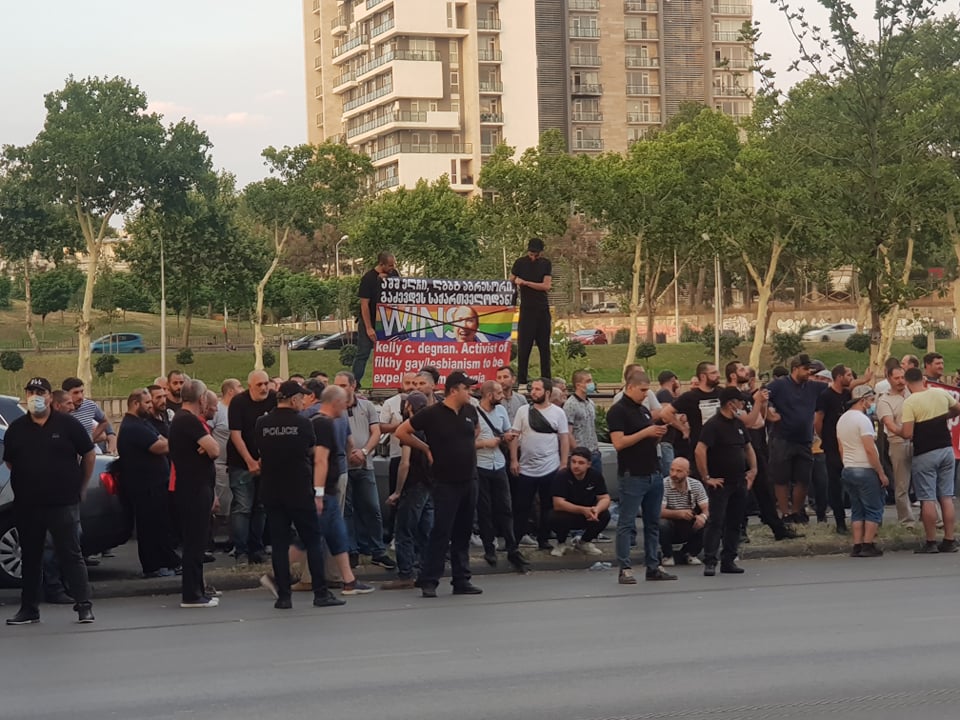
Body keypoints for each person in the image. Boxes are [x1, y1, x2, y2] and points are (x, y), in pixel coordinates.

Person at [4, 377, 96, 625]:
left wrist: (82, 486)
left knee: (71, 553)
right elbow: (10, 461)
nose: (35, 396)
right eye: (30, 392)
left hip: (62, 502)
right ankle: (29, 609)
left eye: (40, 392)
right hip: (28, 504)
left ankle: (84, 605)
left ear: (49, 397)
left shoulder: (67, 424)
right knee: (31, 557)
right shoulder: (17, 428)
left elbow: (88, 453)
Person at [255, 381, 344, 609]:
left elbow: (261, 452)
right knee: (313, 540)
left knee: (279, 543)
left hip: (271, 490)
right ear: (293, 399)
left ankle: (284, 597)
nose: (303, 402)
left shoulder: (262, 423)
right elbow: (311, 450)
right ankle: (320, 593)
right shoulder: (303, 423)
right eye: (301, 398)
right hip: (299, 490)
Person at [396, 371, 484, 598]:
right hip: (445, 482)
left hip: (469, 479)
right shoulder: (432, 413)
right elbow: (402, 432)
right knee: (441, 531)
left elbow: (476, 430)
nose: (470, 392)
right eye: (466, 388)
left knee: (463, 532)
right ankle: (429, 580)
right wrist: (425, 448)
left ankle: (461, 579)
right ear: (454, 390)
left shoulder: (470, 410)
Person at [606, 369, 675, 584]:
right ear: (630, 387)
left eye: (647, 390)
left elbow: (646, 440)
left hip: (652, 471)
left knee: (653, 523)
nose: (646, 394)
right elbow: (619, 443)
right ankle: (625, 568)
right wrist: (646, 432)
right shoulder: (618, 411)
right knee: (627, 523)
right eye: (643, 390)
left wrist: (656, 434)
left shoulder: (643, 411)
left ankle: (653, 565)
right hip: (633, 474)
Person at [307, 385, 372, 599]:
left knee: (337, 535)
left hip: (328, 490)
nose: (346, 407)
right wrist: (318, 492)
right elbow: (320, 460)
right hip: (323, 491)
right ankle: (277, 575)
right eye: (344, 402)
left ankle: (349, 580)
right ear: (335, 402)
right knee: (313, 537)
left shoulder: (316, 421)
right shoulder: (324, 424)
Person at [117, 389, 181, 578]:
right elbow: (159, 446)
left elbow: (161, 439)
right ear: (135, 404)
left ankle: (167, 561)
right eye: (146, 403)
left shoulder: (142, 423)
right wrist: (178, 442)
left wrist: (168, 443)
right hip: (145, 486)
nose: (150, 405)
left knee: (160, 525)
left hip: (155, 484)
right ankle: (154, 565)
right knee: (150, 527)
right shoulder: (132, 427)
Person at [168, 380, 221, 609]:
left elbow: (208, 448)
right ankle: (191, 595)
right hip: (192, 489)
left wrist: (205, 448)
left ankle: (198, 590)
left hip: (195, 487)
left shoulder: (183, 420)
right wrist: (206, 448)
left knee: (197, 542)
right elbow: (215, 449)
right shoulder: (187, 420)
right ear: (201, 399)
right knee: (194, 543)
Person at [336, 371, 395, 570]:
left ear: (353, 386)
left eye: (343, 385)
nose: (339, 389)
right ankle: (351, 550)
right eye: (337, 386)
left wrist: (364, 451)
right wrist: (347, 453)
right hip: (343, 467)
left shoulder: (367, 406)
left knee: (372, 508)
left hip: (364, 465)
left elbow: (376, 432)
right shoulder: (334, 408)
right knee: (346, 511)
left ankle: (378, 551)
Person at [696, 386, 757, 576]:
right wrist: (707, 477)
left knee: (735, 522)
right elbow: (700, 450)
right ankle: (710, 560)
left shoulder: (738, 424)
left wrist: (753, 470)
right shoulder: (713, 425)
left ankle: (729, 559)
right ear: (731, 404)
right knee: (716, 521)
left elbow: (748, 447)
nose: (742, 405)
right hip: (721, 482)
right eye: (740, 402)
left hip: (739, 481)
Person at [901, 367, 960, 553]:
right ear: (923, 379)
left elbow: (907, 433)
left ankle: (931, 541)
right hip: (946, 449)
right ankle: (949, 539)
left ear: (907, 383)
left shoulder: (910, 402)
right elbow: (957, 409)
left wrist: (894, 428)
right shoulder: (939, 392)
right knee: (946, 497)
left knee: (927, 498)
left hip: (925, 453)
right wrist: (945, 416)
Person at [510, 378, 570, 550]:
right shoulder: (523, 411)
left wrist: (563, 463)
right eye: (533, 389)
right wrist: (514, 460)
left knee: (547, 506)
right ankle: (515, 540)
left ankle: (543, 538)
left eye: (538, 389)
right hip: (526, 468)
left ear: (547, 393)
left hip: (550, 466)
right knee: (522, 506)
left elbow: (564, 438)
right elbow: (514, 436)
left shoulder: (558, 413)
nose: (533, 392)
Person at [383, 391, 435, 589]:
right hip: (429, 484)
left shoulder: (409, 429)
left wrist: (397, 491)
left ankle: (405, 574)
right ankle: (426, 571)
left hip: (414, 484)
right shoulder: (432, 428)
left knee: (404, 531)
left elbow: (404, 463)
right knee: (425, 531)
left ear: (409, 407)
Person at [766, 354, 826, 521]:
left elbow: (835, 387)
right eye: (805, 369)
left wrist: (861, 382)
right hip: (782, 438)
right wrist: (769, 412)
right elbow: (761, 396)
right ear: (795, 369)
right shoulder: (780, 385)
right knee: (781, 479)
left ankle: (796, 512)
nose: (809, 372)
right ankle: (785, 513)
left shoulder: (813, 386)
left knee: (803, 479)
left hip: (804, 440)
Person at [474, 380, 527, 571]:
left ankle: (512, 548)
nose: (502, 396)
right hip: (480, 465)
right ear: (489, 395)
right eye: (498, 393)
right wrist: (485, 443)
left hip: (499, 464)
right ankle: (489, 547)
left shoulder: (501, 411)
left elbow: (508, 434)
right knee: (485, 510)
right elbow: (465, 443)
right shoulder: (473, 414)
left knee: (505, 507)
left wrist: (513, 459)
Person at [227, 370, 276, 566]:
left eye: (266, 383)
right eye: (259, 385)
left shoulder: (273, 398)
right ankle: (241, 550)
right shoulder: (239, 402)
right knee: (243, 506)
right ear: (250, 386)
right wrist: (249, 460)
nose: (264, 388)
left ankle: (257, 548)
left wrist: (264, 459)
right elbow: (235, 434)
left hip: (266, 463)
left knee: (261, 507)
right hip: (241, 463)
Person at [836, 386, 888, 557]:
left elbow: (841, 447)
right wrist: (880, 472)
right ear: (862, 400)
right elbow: (870, 449)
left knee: (857, 508)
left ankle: (857, 544)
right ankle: (868, 544)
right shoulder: (863, 420)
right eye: (871, 400)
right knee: (873, 508)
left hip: (849, 468)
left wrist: (846, 463)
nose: (872, 404)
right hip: (865, 469)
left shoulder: (842, 419)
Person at [814, 365, 855, 533]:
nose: (851, 378)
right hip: (831, 444)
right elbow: (818, 420)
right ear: (838, 377)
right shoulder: (825, 396)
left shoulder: (847, 394)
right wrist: (824, 437)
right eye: (848, 375)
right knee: (834, 483)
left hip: (847, 442)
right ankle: (839, 521)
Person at [549, 447, 611, 558]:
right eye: (573, 462)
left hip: (589, 513)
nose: (576, 466)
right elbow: (558, 504)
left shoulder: (595, 475)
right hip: (568, 512)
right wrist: (582, 510)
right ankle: (561, 543)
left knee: (605, 514)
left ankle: (584, 542)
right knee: (554, 516)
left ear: (589, 464)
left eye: (581, 463)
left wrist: (597, 509)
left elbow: (605, 498)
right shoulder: (562, 475)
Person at [379, 372, 418, 544]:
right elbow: (381, 427)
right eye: (407, 383)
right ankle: (392, 533)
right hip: (397, 455)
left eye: (414, 383)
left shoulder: (424, 403)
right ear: (401, 384)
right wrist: (401, 426)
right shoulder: (391, 403)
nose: (411, 386)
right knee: (395, 496)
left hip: (419, 458)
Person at [876, 366, 915, 526]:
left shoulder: (912, 392)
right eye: (896, 378)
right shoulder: (884, 400)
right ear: (889, 379)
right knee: (902, 484)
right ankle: (907, 521)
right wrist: (905, 433)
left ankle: (935, 519)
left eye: (902, 377)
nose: (901, 381)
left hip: (919, 441)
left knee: (926, 481)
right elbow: (889, 424)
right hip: (898, 442)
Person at [511, 238, 553, 384]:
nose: (533, 257)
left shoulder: (545, 263)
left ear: (541, 253)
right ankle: (522, 380)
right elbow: (511, 279)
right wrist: (516, 282)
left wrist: (526, 283)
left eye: (536, 254)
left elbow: (546, 286)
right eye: (531, 254)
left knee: (544, 348)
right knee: (524, 347)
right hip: (527, 310)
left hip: (542, 309)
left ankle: (546, 380)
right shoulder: (520, 263)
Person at [353, 251, 398, 385]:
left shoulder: (393, 274)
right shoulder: (368, 278)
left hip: (387, 321)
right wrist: (369, 328)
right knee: (363, 353)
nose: (392, 268)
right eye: (390, 265)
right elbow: (364, 304)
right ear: (381, 264)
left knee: (391, 353)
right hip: (370, 320)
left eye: (394, 265)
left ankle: (391, 381)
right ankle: (355, 383)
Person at [659, 457, 708, 566]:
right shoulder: (663, 484)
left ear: (688, 473)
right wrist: (679, 514)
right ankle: (667, 555)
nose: (674, 474)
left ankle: (690, 553)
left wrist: (703, 516)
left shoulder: (696, 485)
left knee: (708, 522)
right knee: (662, 524)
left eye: (679, 471)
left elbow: (707, 507)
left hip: (689, 522)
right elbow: (659, 511)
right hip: (670, 523)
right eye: (672, 470)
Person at [210, 379, 241, 525]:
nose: (243, 389)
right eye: (239, 386)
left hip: (236, 465)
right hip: (220, 465)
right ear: (230, 391)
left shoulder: (238, 410)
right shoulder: (218, 410)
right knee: (222, 505)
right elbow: (208, 431)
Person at [62, 377, 115, 453]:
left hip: (89, 450)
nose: (80, 396)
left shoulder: (90, 405)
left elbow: (104, 422)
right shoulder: (60, 408)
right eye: (75, 393)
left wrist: (91, 439)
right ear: (65, 394)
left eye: (82, 392)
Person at [564, 370, 601, 474]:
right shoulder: (570, 405)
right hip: (581, 455)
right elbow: (568, 432)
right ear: (578, 385)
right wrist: (578, 452)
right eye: (588, 381)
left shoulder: (590, 403)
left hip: (594, 452)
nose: (591, 384)